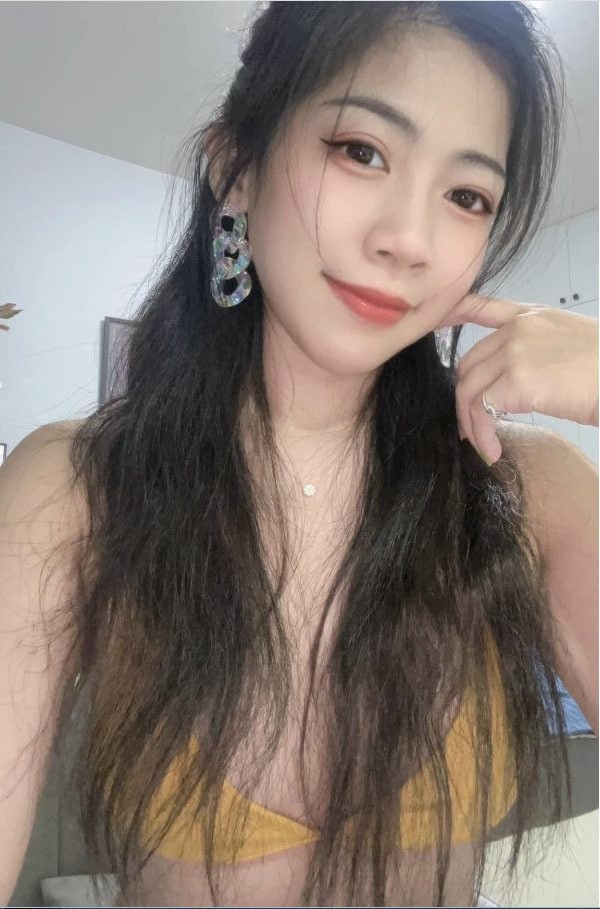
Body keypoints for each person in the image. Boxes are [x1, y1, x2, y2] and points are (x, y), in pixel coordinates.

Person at [1, 2, 597, 906]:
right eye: (361, 150)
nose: (409, 239)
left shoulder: (530, 491)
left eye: (467, 195)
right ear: (237, 168)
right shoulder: (74, 491)